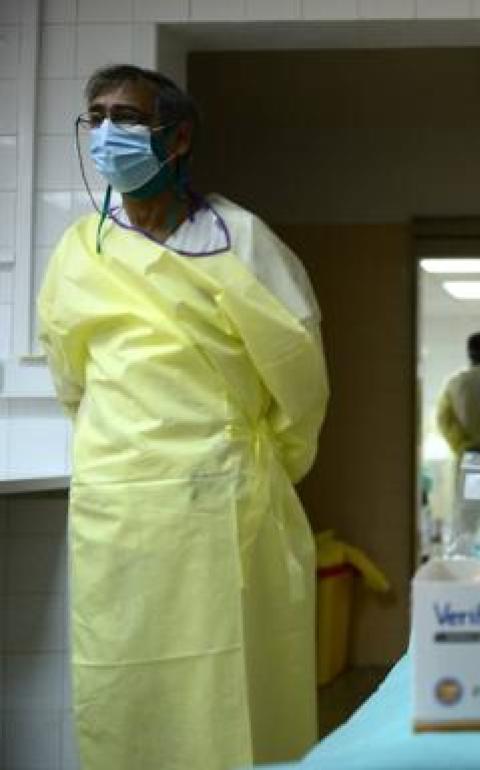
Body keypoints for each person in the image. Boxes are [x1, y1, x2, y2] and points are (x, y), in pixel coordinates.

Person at [37, 65, 328, 769]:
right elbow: (71, 381)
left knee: (234, 690)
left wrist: (250, 462)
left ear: (178, 137)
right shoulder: (82, 251)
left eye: (128, 118)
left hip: (225, 507)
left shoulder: (241, 239)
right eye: (97, 116)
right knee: (127, 690)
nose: (109, 132)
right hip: (119, 513)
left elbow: (299, 379)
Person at [436, 332, 480, 456]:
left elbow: (444, 420)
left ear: (469, 353)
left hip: (465, 457)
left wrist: (463, 446)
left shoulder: (454, 382)